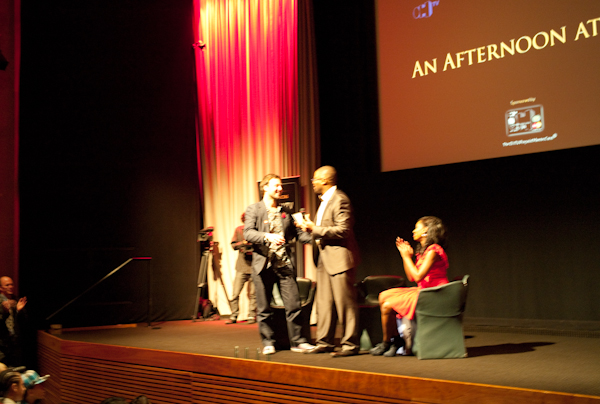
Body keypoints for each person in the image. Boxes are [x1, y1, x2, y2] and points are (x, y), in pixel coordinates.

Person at [243, 174, 314, 355]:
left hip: (284, 265)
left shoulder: (287, 211)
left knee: (293, 305)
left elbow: (300, 235)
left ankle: (298, 342)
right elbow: (248, 233)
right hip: (263, 266)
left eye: (281, 186)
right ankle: (268, 342)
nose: (280, 189)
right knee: (264, 307)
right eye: (276, 185)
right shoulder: (254, 209)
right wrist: (267, 236)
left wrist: (316, 234)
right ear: (265, 187)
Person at [299, 166, 360, 357]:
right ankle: (324, 341)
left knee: (345, 304)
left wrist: (314, 229)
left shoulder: (340, 199)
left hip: (339, 258)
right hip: (324, 258)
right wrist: (309, 228)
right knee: (324, 303)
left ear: (325, 181)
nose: (313, 182)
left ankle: (350, 344)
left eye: (315, 179)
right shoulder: (325, 201)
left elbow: (343, 230)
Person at [370, 216, 449, 357]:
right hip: (424, 290)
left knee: (387, 305)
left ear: (426, 231)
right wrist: (405, 256)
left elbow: (418, 276)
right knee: (384, 295)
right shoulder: (424, 251)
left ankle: (388, 342)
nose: (413, 231)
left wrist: (406, 257)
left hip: (434, 293)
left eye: (417, 228)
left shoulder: (433, 250)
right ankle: (396, 340)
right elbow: (412, 277)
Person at [227, 213, 256, 324]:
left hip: (254, 266)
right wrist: (243, 243)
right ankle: (234, 315)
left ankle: (251, 315)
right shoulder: (239, 230)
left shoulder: (256, 231)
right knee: (235, 293)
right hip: (242, 266)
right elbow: (233, 245)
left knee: (254, 294)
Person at [0, 277, 27, 366]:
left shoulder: (16, 300)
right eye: (7, 285)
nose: (11, 287)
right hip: (2, 344)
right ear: (1, 288)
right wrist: (5, 312)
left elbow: (23, 322)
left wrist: (18, 311)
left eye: (12, 284)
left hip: (15, 342)